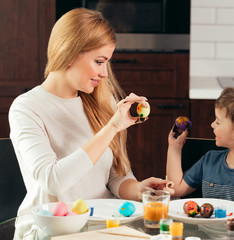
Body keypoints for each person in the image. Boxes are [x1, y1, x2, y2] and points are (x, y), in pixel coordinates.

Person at [9, 8, 173, 239]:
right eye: (99, 61)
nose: (105, 73)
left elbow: (117, 175)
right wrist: (113, 127)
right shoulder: (27, 108)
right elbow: (54, 182)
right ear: (70, 52)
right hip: (52, 229)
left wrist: (138, 189)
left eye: (107, 62)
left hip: (103, 225)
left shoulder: (103, 100)